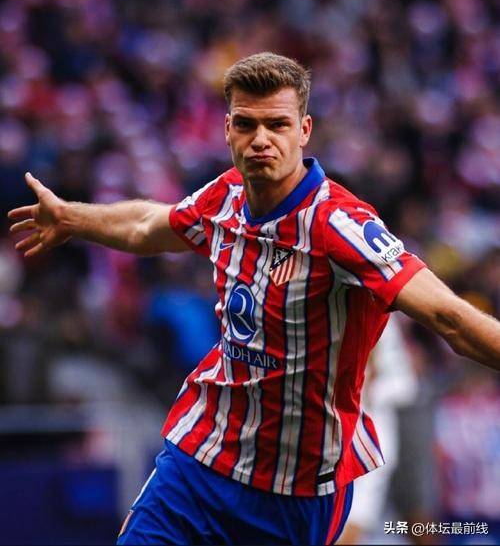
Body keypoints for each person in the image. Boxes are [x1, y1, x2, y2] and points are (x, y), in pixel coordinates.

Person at [8, 53, 500, 545]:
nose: (261, 139)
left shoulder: (339, 225)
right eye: (246, 124)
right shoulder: (225, 197)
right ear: (227, 130)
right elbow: (147, 226)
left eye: (277, 125)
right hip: (201, 458)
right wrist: (71, 217)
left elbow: (448, 317)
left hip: (295, 490)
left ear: (304, 130)